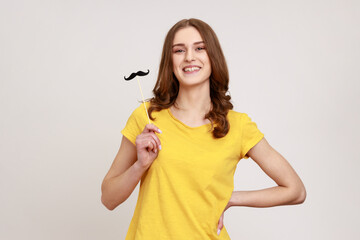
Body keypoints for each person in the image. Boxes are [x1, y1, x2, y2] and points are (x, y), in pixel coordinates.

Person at [101, 18, 306, 239]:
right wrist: (139, 166)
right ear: (169, 61)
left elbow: (295, 190)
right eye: (179, 50)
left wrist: (230, 198)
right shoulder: (146, 117)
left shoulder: (238, 125)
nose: (189, 56)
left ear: (213, 57)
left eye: (200, 48)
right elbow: (108, 199)